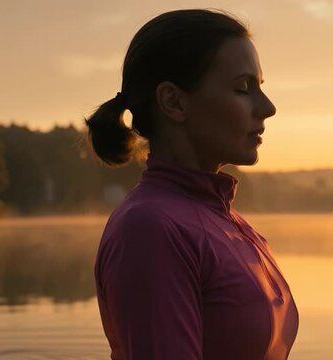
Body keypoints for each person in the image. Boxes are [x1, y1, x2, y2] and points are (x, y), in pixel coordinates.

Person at [85, 9, 299, 360]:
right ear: (174, 101)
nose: (268, 107)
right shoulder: (151, 230)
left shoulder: (229, 222)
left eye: (261, 87)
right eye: (243, 89)